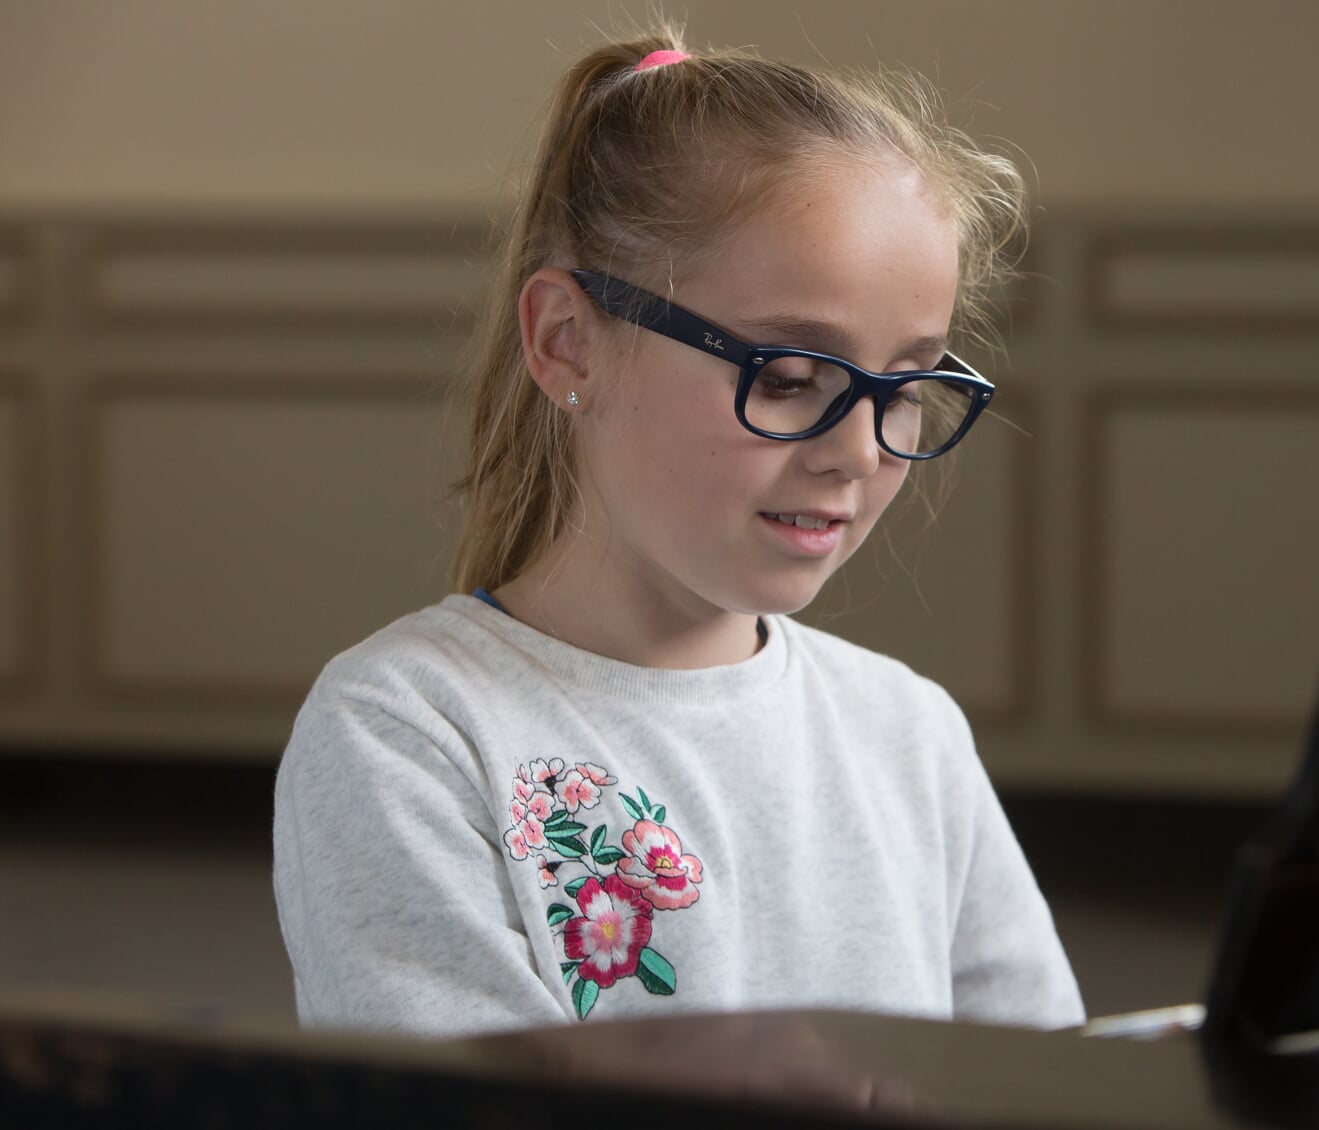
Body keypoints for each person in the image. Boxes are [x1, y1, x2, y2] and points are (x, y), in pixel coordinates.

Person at [272, 27, 1084, 1036]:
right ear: (567, 342)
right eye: (790, 377)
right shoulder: (409, 732)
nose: (862, 453)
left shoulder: (908, 732)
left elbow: (1041, 1073)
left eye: (907, 388)